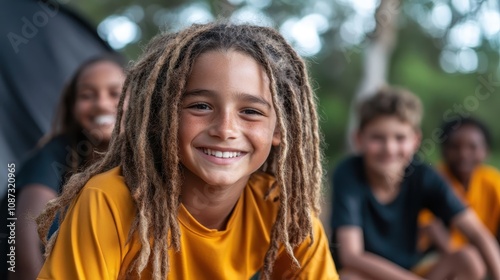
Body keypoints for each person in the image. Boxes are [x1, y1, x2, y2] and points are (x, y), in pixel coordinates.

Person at [36, 22, 338, 280]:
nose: (225, 129)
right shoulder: (109, 201)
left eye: (250, 111)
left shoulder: (283, 212)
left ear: (280, 130)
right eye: (201, 106)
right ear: (162, 116)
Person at [330, 86, 500, 280]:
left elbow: (478, 234)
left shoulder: (423, 175)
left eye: (400, 138)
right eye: (378, 138)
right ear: (359, 139)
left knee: (469, 259)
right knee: (351, 277)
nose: (390, 148)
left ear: (415, 140)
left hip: (410, 270)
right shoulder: (348, 174)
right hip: (369, 274)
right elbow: (351, 255)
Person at [0, 54, 125, 280]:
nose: (102, 103)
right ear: (72, 105)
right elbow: (22, 250)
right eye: (87, 95)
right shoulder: (54, 155)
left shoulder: (147, 165)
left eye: (115, 93)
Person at [419, 117, 500, 253]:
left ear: (486, 151)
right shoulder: (433, 179)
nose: (463, 154)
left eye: (472, 147)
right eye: (455, 147)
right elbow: (429, 225)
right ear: (443, 150)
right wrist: (458, 257)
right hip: (441, 254)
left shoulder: (492, 180)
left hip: (486, 251)